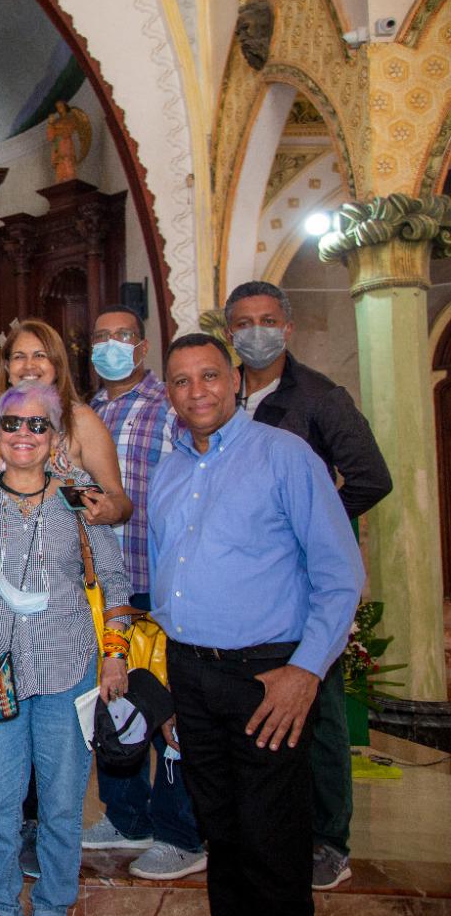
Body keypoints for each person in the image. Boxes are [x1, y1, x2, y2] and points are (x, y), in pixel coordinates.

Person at [149, 333, 365, 916]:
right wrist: (172, 682)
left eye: (210, 375)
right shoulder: (168, 471)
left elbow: (339, 574)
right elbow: (172, 579)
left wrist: (304, 670)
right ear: (168, 393)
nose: (197, 391)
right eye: (181, 380)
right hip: (193, 673)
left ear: (237, 381)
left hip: (268, 676)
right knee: (221, 833)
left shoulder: (286, 456)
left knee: (272, 840)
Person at [0, 380, 134, 916]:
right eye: (11, 424)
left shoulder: (78, 498)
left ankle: (53, 906)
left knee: (62, 804)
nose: (23, 434)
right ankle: (0, 905)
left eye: (37, 424)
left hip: (68, 671)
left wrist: (115, 654)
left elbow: (116, 585)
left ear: (54, 438)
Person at [224, 280, 391, 890]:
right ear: (229, 333)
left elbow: (372, 476)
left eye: (267, 319)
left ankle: (329, 839)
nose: (256, 331)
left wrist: (315, 520)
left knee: (315, 708)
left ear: (287, 327)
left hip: (309, 578)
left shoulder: (320, 397)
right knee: (257, 706)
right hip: (250, 580)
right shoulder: (226, 393)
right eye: (243, 322)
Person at [81, 306, 205, 880]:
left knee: (170, 709)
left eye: (121, 337)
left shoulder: (170, 408)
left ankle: (182, 832)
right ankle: (127, 816)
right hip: (106, 585)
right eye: (101, 338)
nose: (110, 346)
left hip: (159, 580)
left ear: (142, 345)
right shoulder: (86, 411)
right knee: (116, 700)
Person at [0, 319, 131, 525]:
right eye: (19, 357)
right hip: (4, 549)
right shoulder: (1, 419)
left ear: (57, 365)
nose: (29, 365)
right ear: (7, 367)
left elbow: (119, 500)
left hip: (64, 549)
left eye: (40, 355)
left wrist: (101, 506)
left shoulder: (80, 419)